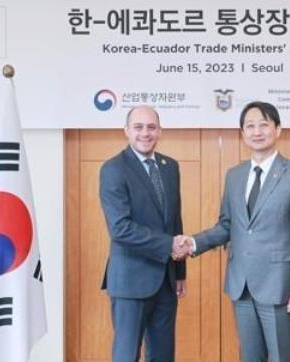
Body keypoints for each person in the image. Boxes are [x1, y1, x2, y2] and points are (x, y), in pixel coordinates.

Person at [177, 101, 290, 362]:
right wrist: (193, 243)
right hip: (240, 284)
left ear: (278, 130)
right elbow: (227, 226)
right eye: (250, 126)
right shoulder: (235, 176)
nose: (257, 131)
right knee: (249, 357)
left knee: (279, 357)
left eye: (264, 124)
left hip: (279, 287)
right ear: (242, 133)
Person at [99, 105, 191, 361]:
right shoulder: (113, 169)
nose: (145, 133)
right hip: (130, 281)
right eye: (138, 127)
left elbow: (175, 221)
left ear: (159, 131)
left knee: (163, 355)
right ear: (126, 131)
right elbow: (120, 228)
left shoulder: (170, 167)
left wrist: (180, 271)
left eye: (151, 127)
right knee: (127, 355)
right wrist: (169, 246)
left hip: (166, 280)